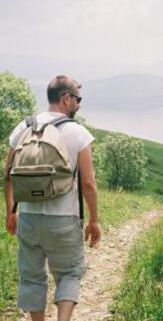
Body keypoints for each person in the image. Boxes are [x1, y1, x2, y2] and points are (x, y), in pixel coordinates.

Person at [4, 75, 102, 321]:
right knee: (69, 273)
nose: (79, 104)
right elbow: (88, 183)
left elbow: (8, 176)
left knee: (32, 277)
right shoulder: (78, 133)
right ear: (66, 98)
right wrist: (94, 220)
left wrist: (11, 212)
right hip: (64, 220)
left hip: (28, 217)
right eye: (77, 99)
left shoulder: (22, 127)